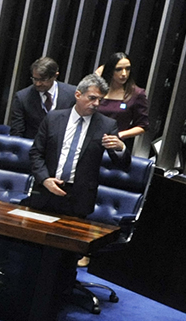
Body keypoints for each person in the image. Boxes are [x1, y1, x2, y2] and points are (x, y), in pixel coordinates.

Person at [28, 75, 128, 221]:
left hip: (79, 198)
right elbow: (36, 152)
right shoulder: (53, 118)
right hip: (46, 190)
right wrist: (44, 179)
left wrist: (121, 148)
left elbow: (122, 164)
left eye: (100, 100)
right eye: (92, 98)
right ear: (78, 94)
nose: (96, 103)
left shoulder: (107, 125)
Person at [6, 57, 74, 137]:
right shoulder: (22, 97)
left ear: (55, 76)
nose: (38, 84)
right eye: (35, 79)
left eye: (43, 79)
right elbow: (16, 133)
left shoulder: (72, 94)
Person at [94, 51, 152, 141]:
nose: (124, 73)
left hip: (115, 143)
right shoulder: (98, 90)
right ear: (110, 70)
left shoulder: (136, 94)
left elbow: (143, 125)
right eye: (119, 69)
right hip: (91, 140)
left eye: (127, 69)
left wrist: (119, 135)